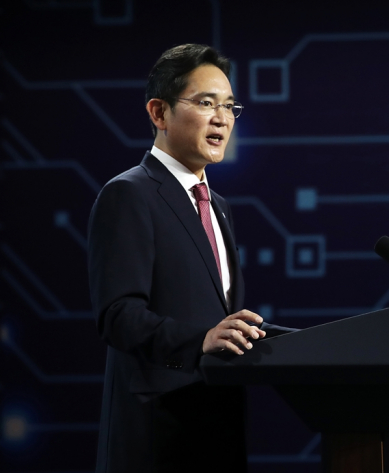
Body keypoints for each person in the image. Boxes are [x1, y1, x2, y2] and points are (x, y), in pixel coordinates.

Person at [88, 44, 294, 472]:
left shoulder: (217, 204)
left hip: (216, 425)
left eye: (230, 107)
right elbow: (119, 315)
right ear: (159, 113)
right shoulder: (128, 194)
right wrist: (198, 340)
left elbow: (222, 317)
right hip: (157, 436)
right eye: (205, 103)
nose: (222, 118)